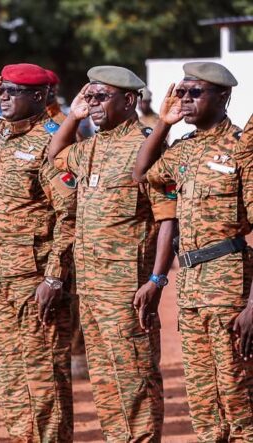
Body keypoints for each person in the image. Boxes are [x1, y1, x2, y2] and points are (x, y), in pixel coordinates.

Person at [48, 65, 177, 442]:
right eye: (89, 97)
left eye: (101, 97)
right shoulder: (92, 145)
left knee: (135, 380)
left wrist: (156, 279)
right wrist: (73, 116)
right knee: (106, 384)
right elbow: (56, 156)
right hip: (90, 288)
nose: (93, 104)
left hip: (126, 290)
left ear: (129, 100)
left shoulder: (146, 146)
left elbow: (167, 217)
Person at [132, 61, 253, 442]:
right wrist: (163, 124)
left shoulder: (243, 149)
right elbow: (142, 173)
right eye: (180, 92)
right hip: (191, 285)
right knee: (202, 397)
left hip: (229, 282)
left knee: (237, 392)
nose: (184, 99)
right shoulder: (184, 148)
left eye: (194, 93)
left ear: (222, 96)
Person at [0, 64, 75, 442]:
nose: (3, 97)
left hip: (33, 277)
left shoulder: (52, 141)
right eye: (2, 90)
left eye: (13, 91)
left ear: (38, 96)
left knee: (43, 371)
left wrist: (54, 277)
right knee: (9, 372)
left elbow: (70, 215)